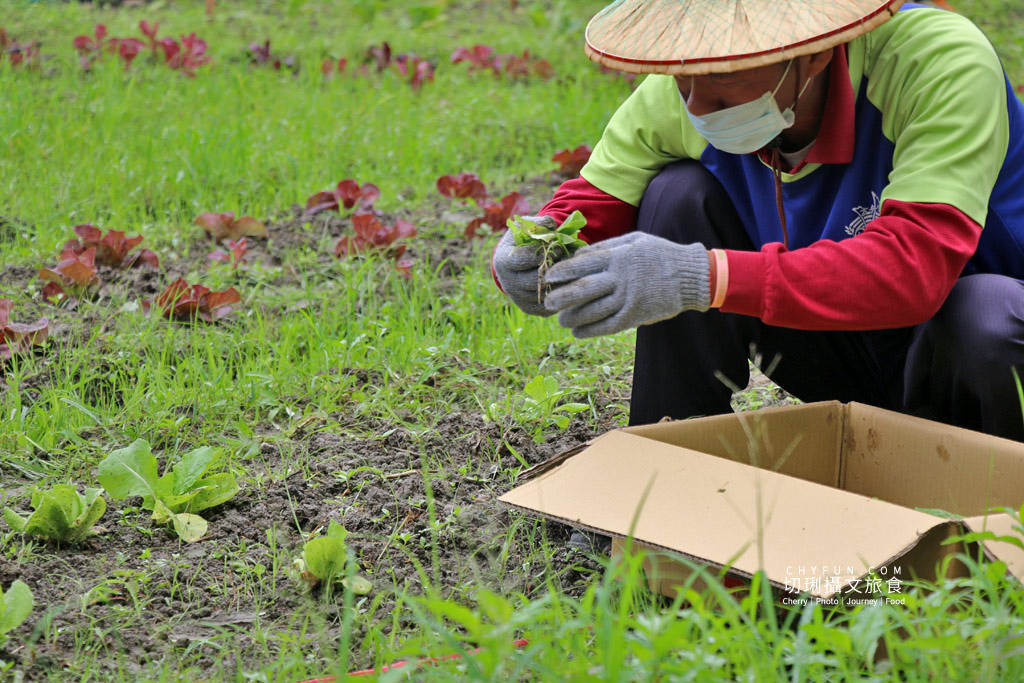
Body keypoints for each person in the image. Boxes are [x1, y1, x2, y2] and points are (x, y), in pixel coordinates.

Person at [492, 0, 1024, 442]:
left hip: (972, 369)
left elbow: (912, 271)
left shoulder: (935, 62)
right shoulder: (687, 93)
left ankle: (990, 513)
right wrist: (534, 249)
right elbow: (592, 203)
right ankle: (668, 473)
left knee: (987, 315)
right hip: (842, 343)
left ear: (812, 55)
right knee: (677, 197)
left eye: (723, 73)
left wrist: (701, 277)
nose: (697, 103)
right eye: (683, 73)